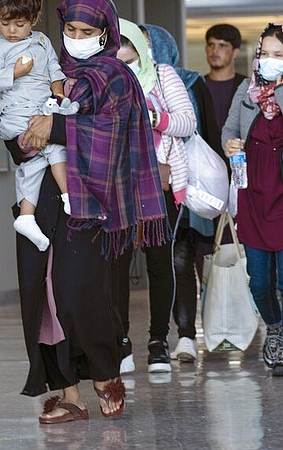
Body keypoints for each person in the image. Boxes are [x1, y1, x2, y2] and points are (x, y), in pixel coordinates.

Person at [8, 0, 169, 424]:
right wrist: (27, 131)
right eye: (70, 29)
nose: (76, 37)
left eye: (87, 31)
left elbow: (113, 134)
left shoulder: (117, 76)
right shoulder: (47, 66)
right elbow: (16, 115)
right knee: (44, 295)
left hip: (92, 204)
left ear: (105, 33)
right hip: (42, 197)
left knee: (79, 293)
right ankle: (69, 393)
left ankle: (104, 373)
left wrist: (57, 127)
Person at [222, 23, 283, 376]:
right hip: (254, 194)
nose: (270, 60)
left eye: (279, 55)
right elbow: (229, 131)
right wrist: (229, 145)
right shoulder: (245, 92)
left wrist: (282, 93)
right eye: (265, 54)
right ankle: (274, 325)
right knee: (259, 280)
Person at [114, 19, 196, 374]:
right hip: (116, 184)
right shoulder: (104, 78)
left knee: (160, 264)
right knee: (115, 267)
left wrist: (153, 117)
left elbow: (186, 122)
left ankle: (158, 341)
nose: (115, 49)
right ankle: (121, 343)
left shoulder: (162, 76)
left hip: (159, 182)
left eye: (122, 43)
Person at [141, 23, 224, 364]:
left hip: (192, 181)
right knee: (171, 258)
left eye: (147, 44)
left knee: (187, 257)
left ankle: (188, 334)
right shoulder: (132, 84)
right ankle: (177, 335)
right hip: (157, 184)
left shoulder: (190, 82)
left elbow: (209, 133)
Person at [0, 0, 70, 252]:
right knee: (52, 146)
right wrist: (14, 73)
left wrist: (59, 92)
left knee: (33, 165)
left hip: (40, 107)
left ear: (34, 19)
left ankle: (26, 214)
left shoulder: (42, 41)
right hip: (15, 114)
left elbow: (55, 68)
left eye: (19, 24)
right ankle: (69, 195)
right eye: (4, 23)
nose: (11, 31)